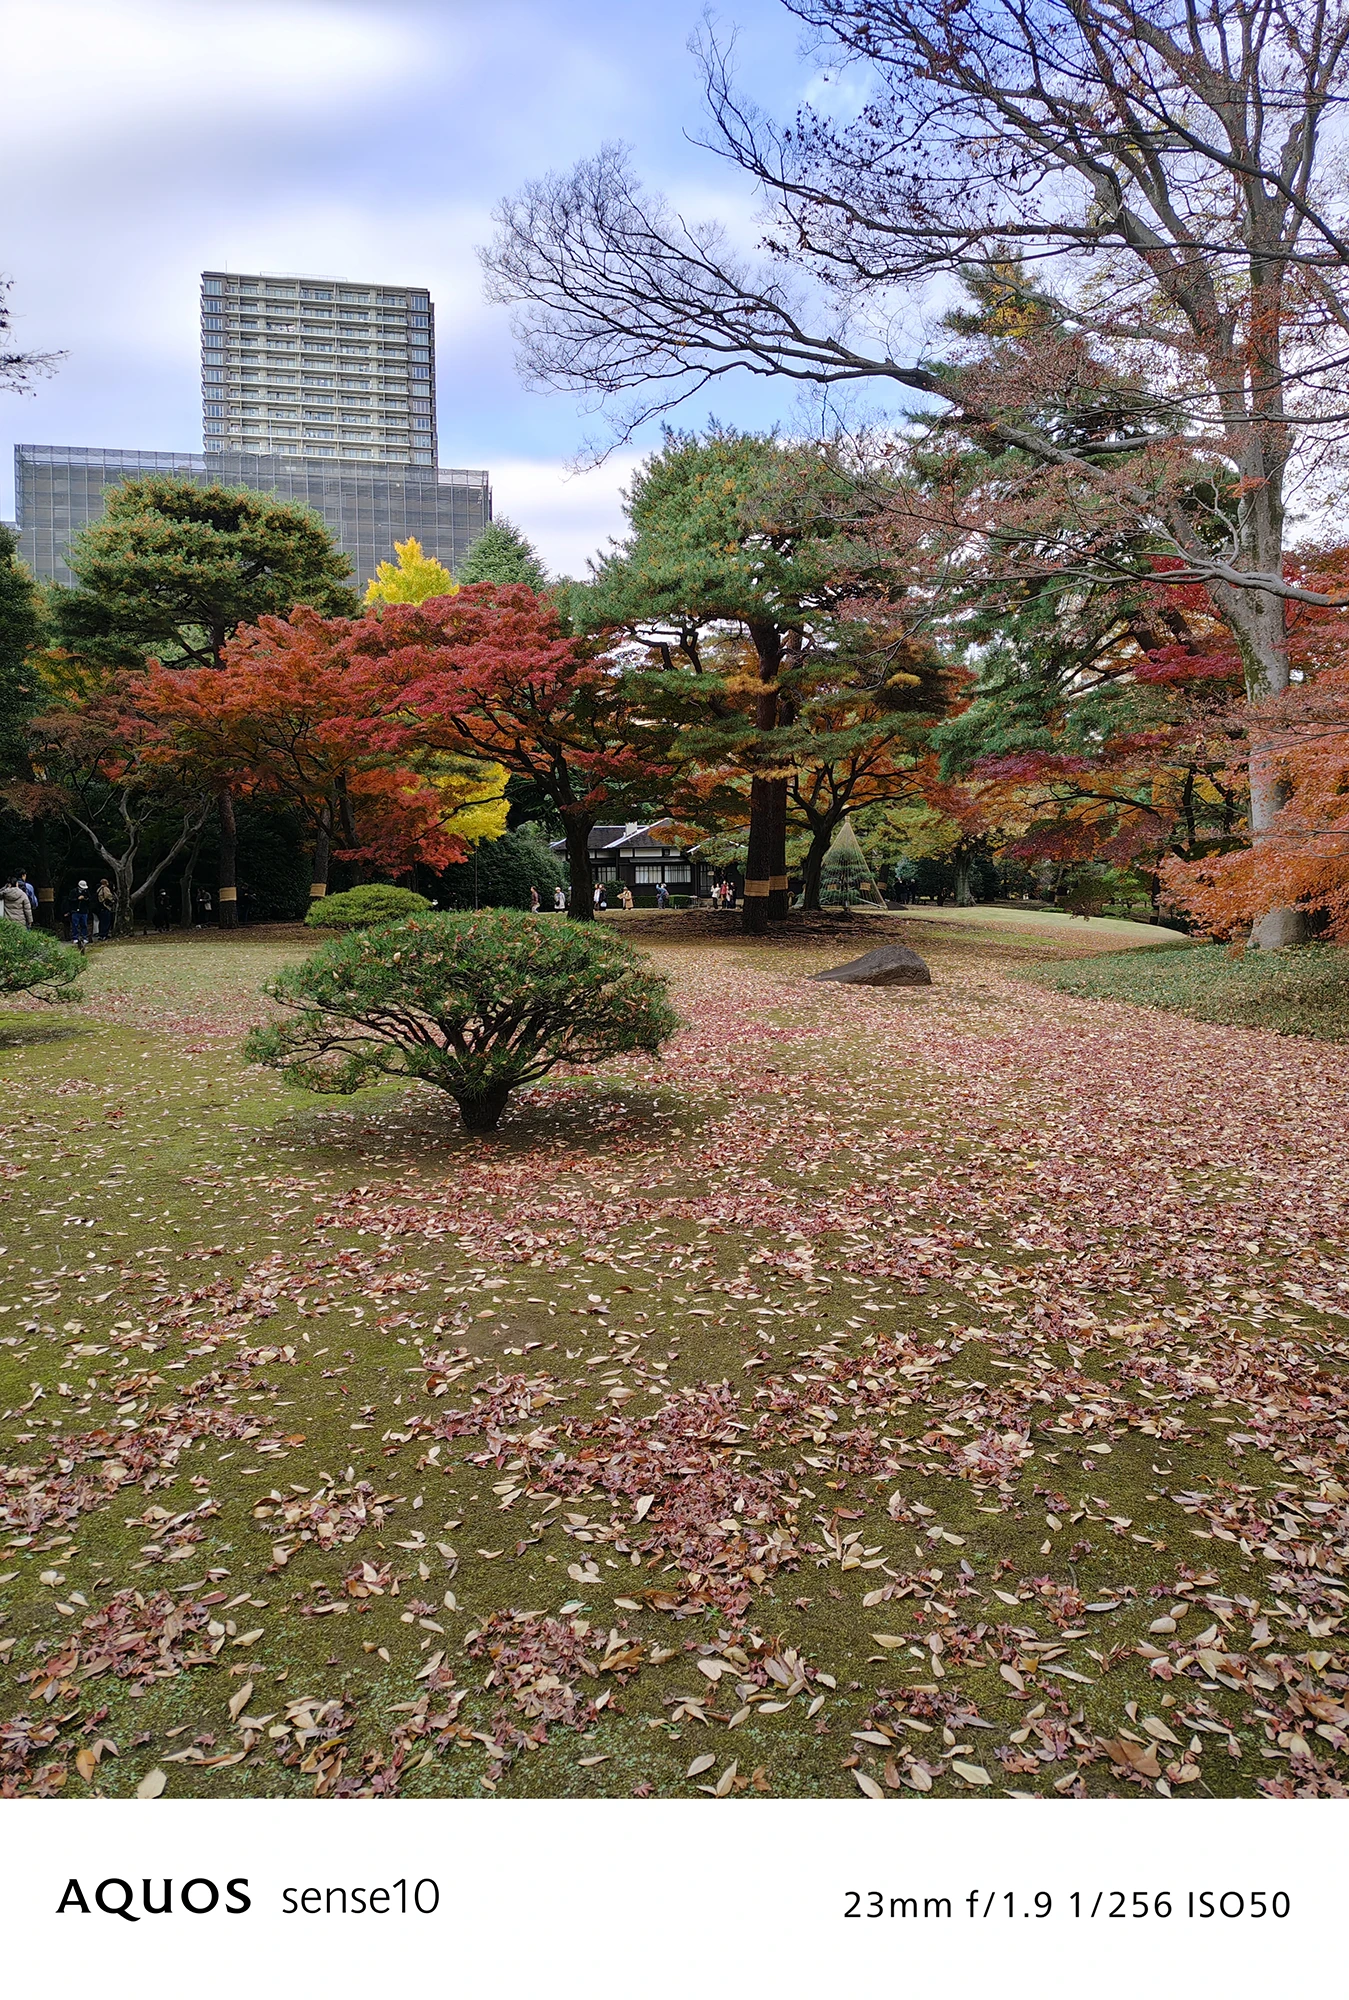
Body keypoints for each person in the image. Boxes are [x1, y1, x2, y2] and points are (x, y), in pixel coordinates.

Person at [67, 880, 93, 950]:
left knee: (84, 924)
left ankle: (84, 937)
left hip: (84, 911)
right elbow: (70, 900)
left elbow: (90, 900)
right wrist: (77, 899)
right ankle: (75, 937)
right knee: (75, 924)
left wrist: (85, 899)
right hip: (75, 910)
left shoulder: (86, 892)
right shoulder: (73, 891)